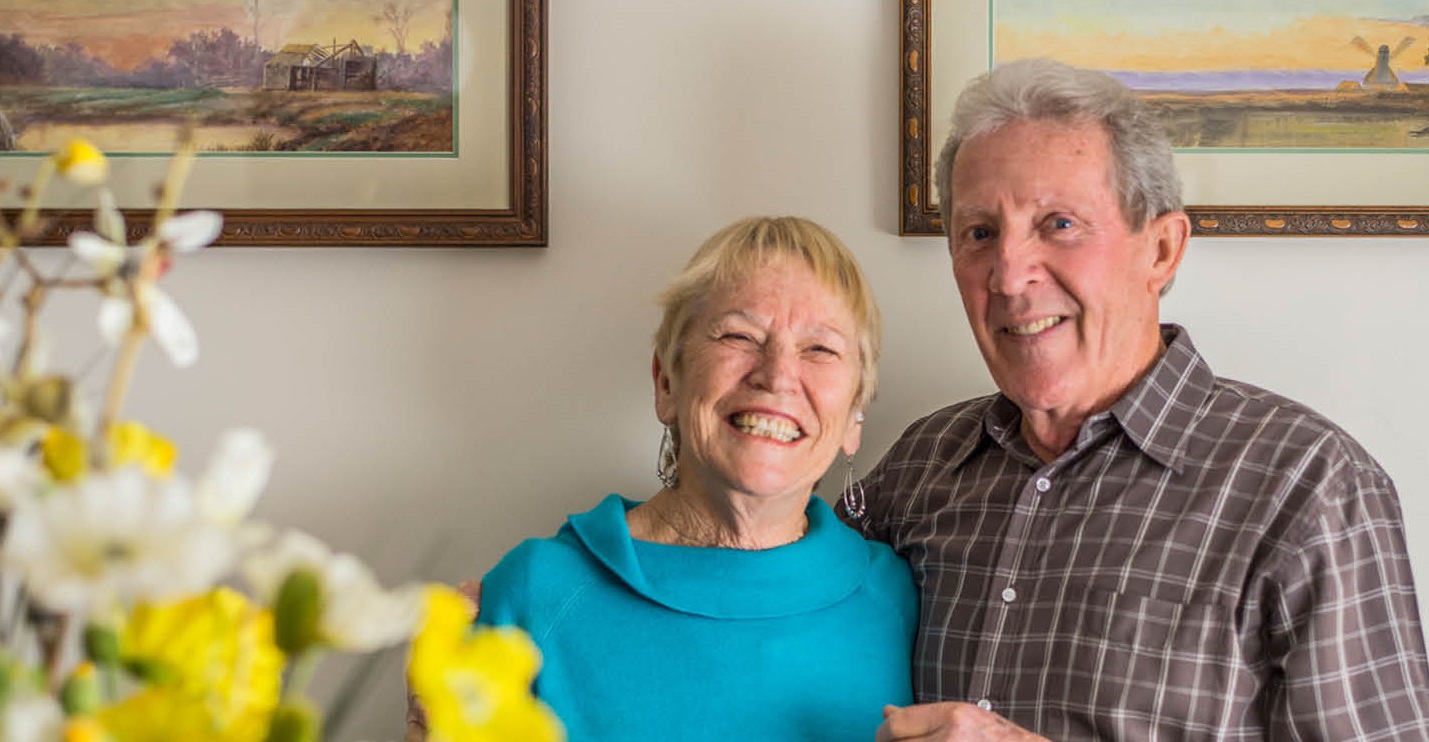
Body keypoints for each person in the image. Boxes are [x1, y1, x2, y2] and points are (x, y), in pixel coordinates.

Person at [842, 58, 1429, 741]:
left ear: (1160, 249)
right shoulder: (917, 466)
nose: (1008, 274)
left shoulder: (1309, 487)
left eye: (1058, 223)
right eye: (978, 233)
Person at [469, 216, 917, 741]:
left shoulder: (902, 598)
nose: (776, 375)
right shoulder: (533, 592)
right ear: (666, 383)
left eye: (820, 349)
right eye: (739, 335)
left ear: (855, 416)